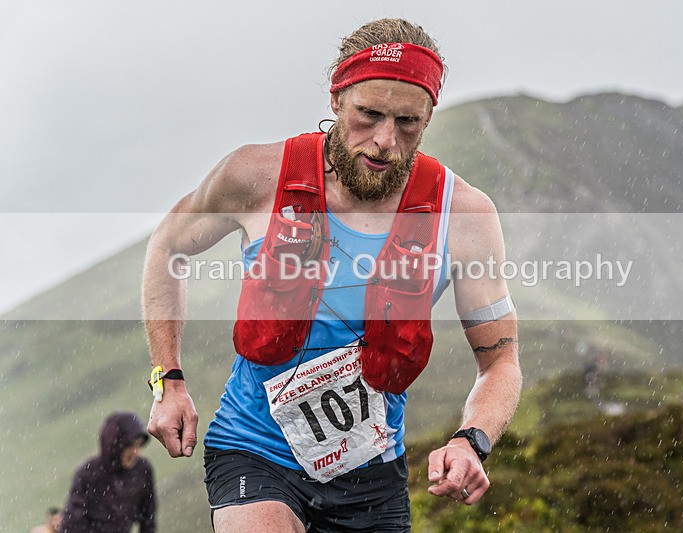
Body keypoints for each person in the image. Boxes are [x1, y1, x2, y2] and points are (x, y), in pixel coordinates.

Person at [143, 18, 521, 532]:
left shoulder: (464, 217)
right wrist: (169, 379)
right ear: (337, 99)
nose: (385, 140)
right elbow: (168, 247)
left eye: (408, 122)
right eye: (369, 114)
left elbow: (499, 362)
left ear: (429, 118)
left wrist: (471, 439)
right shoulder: (256, 176)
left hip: (371, 472)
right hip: (255, 450)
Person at [60, 412, 156, 533]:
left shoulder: (142, 470)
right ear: (115, 446)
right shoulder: (88, 474)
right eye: (130, 446)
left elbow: (148, 518)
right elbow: (73, 523)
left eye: (139, 445)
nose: (136, 452)